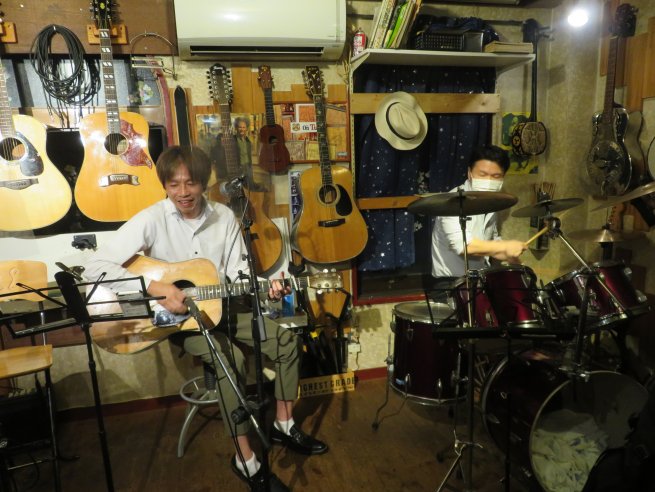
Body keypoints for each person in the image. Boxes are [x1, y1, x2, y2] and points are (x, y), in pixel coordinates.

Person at [84, 146, 327, 492]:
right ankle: (246, 460)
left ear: (203, 183)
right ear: (165, 185)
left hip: (222, 307)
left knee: (287, 342)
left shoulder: (224, 217)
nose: (183, 192)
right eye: (174, 184)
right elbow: (94, 267)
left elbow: (238, 271)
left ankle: (283, 425)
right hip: (180, 320)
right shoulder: (152, 219)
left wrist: (267, 288)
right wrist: (156, 287)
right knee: (232, 360)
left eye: (191, 183)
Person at [430, 145, 527, 293]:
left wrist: (509, 256)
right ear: (469, 173)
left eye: (496, 176)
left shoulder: (489, 202)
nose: (488, 180)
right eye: (482, 174)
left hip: (478, 281)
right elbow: (464, 246)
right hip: (450, 285)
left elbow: (490, 244)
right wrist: (505, 246)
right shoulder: (452, 202)